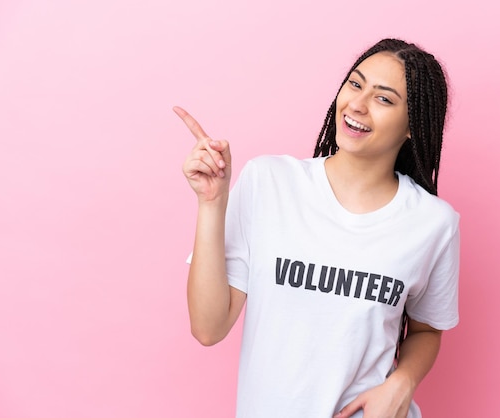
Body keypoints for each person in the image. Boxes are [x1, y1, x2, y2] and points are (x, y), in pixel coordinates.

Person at [175, 38, 460, 418]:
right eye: (356, 84)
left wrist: (402, 382)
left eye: (384, 99)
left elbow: (426, 331)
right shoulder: (269, 182)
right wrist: (211, 204)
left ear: (413, 126)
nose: (357, 105)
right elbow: (208, 328)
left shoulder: (433, 223)